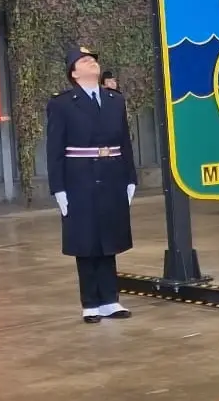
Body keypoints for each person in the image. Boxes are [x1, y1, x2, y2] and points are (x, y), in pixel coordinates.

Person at [46, 46, 138, 323]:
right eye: (85, 61)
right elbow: (55, 149)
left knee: (109, 237)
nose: (92, 63)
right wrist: (58, 188)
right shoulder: (62, 104)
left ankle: (110, 300)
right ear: (73, 73)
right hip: (79, 178)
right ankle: (90, 304)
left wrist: (130, 178)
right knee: (86, 241)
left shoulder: (114, 100)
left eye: (94, 60)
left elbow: (124, 141)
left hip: (112, 174)